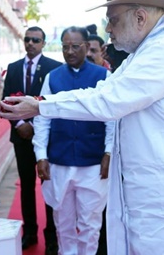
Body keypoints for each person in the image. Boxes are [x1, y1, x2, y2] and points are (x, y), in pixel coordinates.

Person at [0, 0, 164, 254]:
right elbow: (103, 90)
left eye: (113, 19)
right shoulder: (144, 52)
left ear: (140, 17)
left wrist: (40, 106)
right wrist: (40, 103)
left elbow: (107, 101)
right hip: (156, 201)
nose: (107, 29)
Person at [33, 26, 113, 255]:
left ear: (87, 47)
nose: (70, 51)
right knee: (63, 221)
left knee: (90, 223)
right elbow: (42, 118)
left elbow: (112, 119)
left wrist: (108, 152)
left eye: (75, 46)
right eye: (65, 47)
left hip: (93, 164)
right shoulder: (53, 77)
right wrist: (41, 156)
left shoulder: (103, 77)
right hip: (59, 161)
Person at [1, 26, 62, 252]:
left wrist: (35, 126)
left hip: (46, 139)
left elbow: (55, 103)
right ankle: (30, 233)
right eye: (27, 39)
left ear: (43, 43)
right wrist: (19, 124)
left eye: (35, 40)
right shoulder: (14, 68)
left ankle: (52, 236)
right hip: (21, 137)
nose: (30, 43)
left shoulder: (54, 68)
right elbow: (5, 100)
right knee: (26, 185)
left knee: (48, 186)